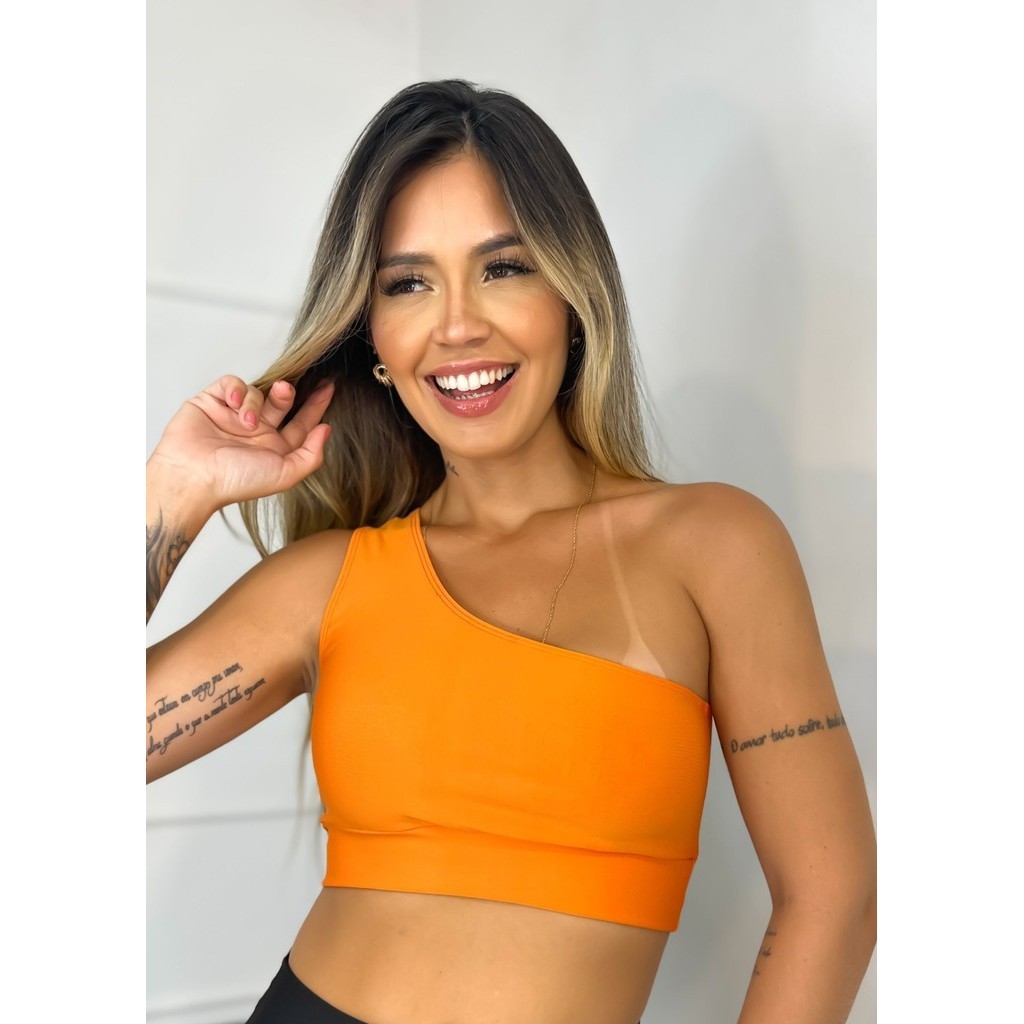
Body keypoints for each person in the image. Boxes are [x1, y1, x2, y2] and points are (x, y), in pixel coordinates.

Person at [146, 79, 876, 1024]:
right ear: (374, 337)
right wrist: (174, 494)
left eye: (503, 267)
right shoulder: (332, 581)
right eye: (408, 282)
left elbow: (831, 899)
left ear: (572, 295)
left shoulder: (716, 548)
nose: (458, 324)